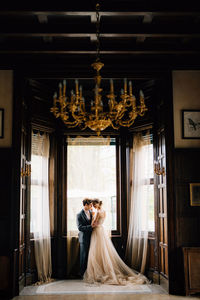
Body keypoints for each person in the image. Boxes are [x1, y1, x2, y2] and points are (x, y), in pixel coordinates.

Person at [83, 199, 149, 285]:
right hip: (101, 231)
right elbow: (101, 222)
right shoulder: (104, 211)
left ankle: (98, 272)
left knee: (96, 252)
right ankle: (102, 270)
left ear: (97, 204)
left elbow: (93, 224)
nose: (93, 207)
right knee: (103, 251)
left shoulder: (98, 212)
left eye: (94, 205)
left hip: (97, 232)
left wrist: (93, 216)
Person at [76, 198, 96, 278]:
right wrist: (90, 227)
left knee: (90, 256)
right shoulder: (79, 215)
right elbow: (80, 228)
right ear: (86, 205)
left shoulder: (92, 212)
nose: (92, 206)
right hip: (84, 238)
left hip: (92, 237)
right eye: (90, 205)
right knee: (83, 256)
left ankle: (89, 273)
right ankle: (82, 274)